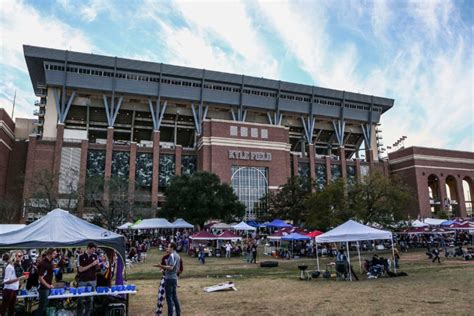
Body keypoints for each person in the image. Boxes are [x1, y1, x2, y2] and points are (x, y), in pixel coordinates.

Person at [158, 243, 181, 316]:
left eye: (168, 247)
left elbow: (170, 267)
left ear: (172, 248)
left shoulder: (172, 255)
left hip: (169, 278)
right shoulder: (177, 255)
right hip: (174, 278)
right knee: (174, 298)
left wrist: (161, 266)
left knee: (169, 299)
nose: (167, 248)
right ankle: (178, 313)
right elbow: (176, 268)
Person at [76, 243, 99, 316]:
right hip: (82, 280)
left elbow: (97, 269)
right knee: (80, 299)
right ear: (88, 248)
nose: (93, 251)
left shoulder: (95, 256)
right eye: (92, 249)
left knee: (90, 300)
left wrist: (99, 264)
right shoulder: (80, 256)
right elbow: (80, 270)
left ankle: (87, 314)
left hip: (92, 280)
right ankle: (79, 314)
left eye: (94, 250)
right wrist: (92, 264)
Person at [36, 248, 56, 316]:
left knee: (45, 306)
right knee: (42, 307)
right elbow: (40, 278)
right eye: (54, 253)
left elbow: (48, 275)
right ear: (49, 254)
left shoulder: (50, 262)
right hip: (43, 288)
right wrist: (48, 286)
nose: (55, 255)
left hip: (47, 287)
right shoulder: (43, 263)